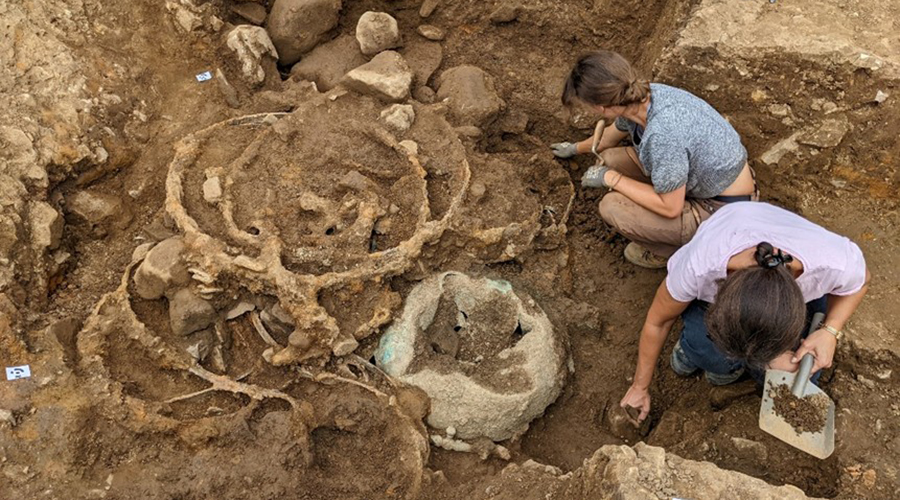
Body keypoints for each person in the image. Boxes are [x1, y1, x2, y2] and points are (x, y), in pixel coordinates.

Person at [618, 202, 870, 422]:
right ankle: (694, 350)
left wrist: (830, 331)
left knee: (802, 378)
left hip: (782, 271)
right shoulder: (699, 267)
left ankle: (737, 365)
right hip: (734, 230)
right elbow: (658, 322)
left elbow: (862, 282)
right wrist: (640, 387)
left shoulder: (833, 262)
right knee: (712, 355)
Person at [551, 50, 757, 268]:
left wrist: (611, 179)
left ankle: (675, 253)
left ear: (600, 107)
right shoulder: (642, 96)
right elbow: (606, 140)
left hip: (723, 211)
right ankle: (671, 215)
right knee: (610, 158)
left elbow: (671, 208)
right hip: (706, 179)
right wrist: (574, 148)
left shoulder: (662, 135)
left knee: (612, 207)